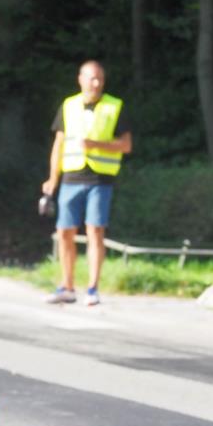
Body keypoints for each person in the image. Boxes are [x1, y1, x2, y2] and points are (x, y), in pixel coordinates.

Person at [41, 60, 133, 306]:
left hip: (100, 179)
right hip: (71, 177)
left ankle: (92, 288)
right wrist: (52, 178)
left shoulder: (114, 106)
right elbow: (59, 145)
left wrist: (96, 145)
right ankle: (67, 286)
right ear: (80, 79)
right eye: (92, 78)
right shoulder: (68, 105)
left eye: (100, 78)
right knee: (64, 232)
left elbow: (126, 145)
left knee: (95, 230)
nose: (96, 83)